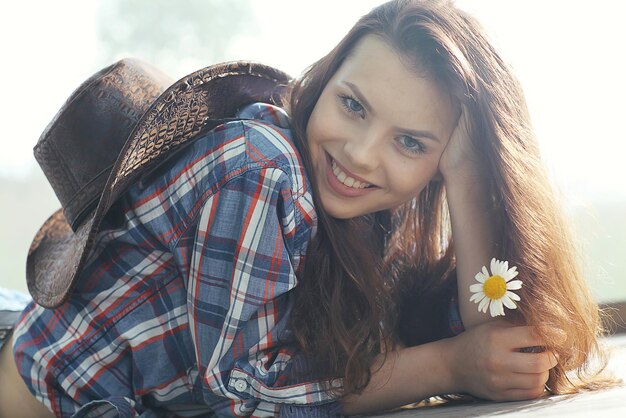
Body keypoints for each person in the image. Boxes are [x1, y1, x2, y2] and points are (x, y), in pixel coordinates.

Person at [0, 0, 614, 416]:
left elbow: (493, 331)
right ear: (325, 79)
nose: (362, 154)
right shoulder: (262, 167)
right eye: (352, 105)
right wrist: (449, 367)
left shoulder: (371, 211)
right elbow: (246, 394)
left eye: (411, 142)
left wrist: (471, 180)